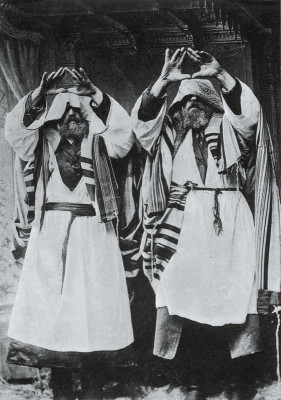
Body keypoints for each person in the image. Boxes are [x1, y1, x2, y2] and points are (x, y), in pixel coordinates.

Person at [131, 48, 281, 392]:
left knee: (233, 291)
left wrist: (221, 75)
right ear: (178, 108)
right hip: (182, 223)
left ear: (214, 105)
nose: (191, 107)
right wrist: (164, 82)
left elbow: (249, 116)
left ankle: (240, 378)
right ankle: (193, 375)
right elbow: (141, 123)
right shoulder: (169, 134)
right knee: (185, 292)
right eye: (185, 103)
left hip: (229, 219)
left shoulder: (231, 130)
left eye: (200, 101)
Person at [5, 67, 135, 399]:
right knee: (52, 308)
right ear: (52, 117)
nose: (70, 117)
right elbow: (13, 130)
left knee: (92, 306)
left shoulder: (100, 139)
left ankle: (93, 387)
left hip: (93, 229)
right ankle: (60, 389)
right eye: (63, 112)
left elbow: (124, 135)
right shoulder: (39, 139)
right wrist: (38, 93)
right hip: (50, 230)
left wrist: (95, 93)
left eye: (77, 110)